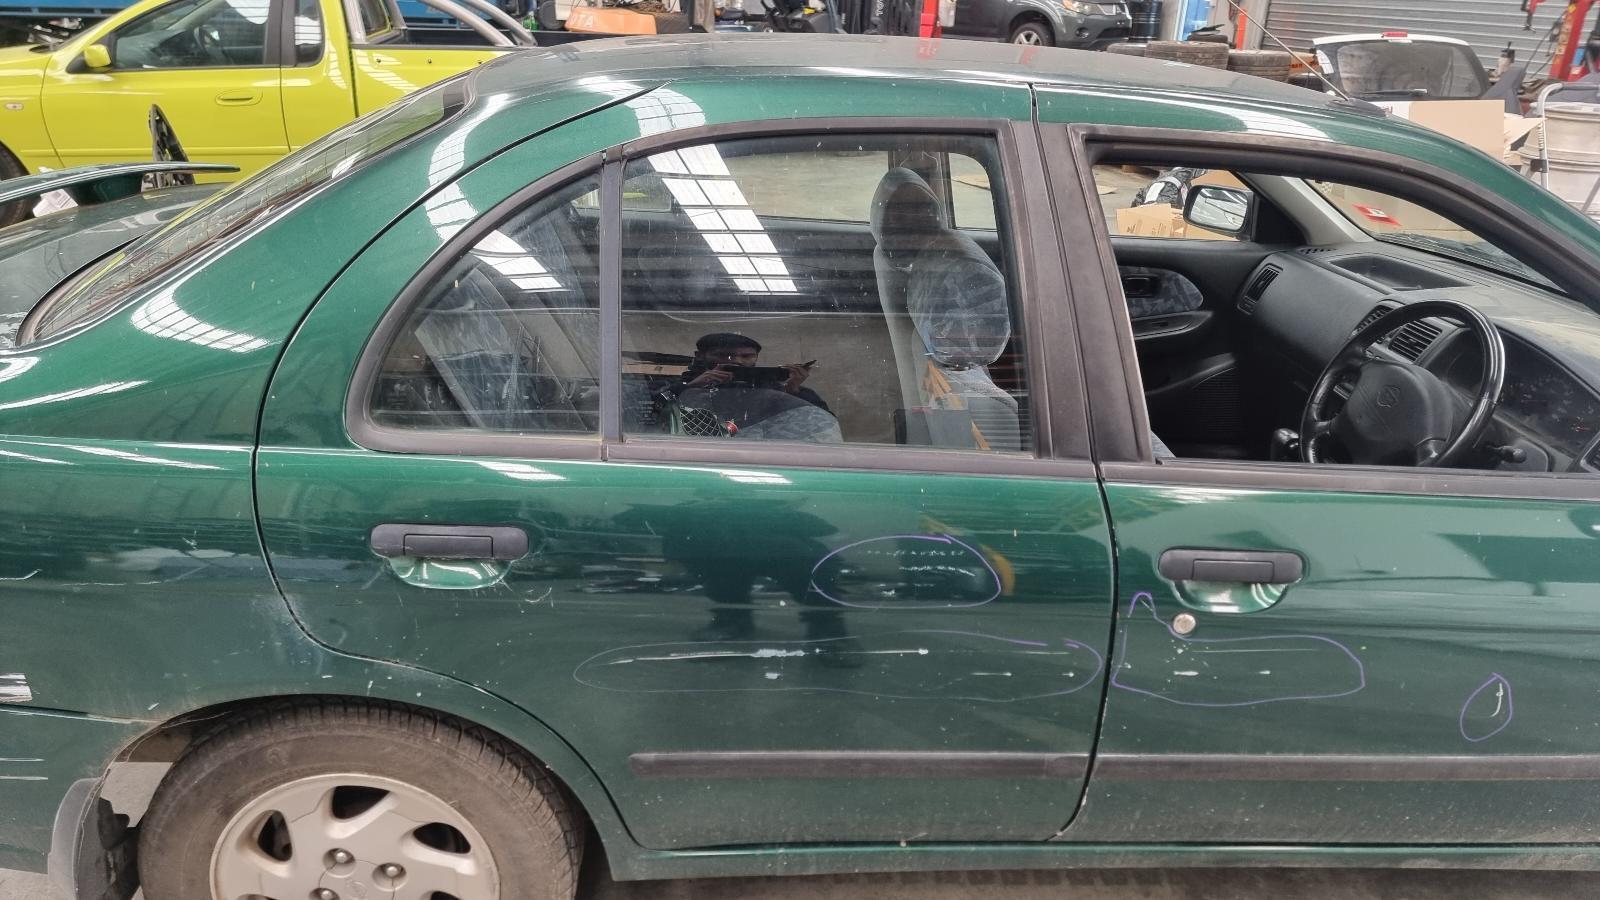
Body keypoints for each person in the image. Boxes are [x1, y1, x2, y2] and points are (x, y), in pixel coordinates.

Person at [655, 333, 841, 442]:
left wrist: (794, 392)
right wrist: (690, 388)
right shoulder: (675, 385)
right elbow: (651, 415)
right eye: (724, 355)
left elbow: (824, 424)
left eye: (746, 356)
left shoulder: (775, 388)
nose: (737, 361)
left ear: (756, 358)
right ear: (700, 356)